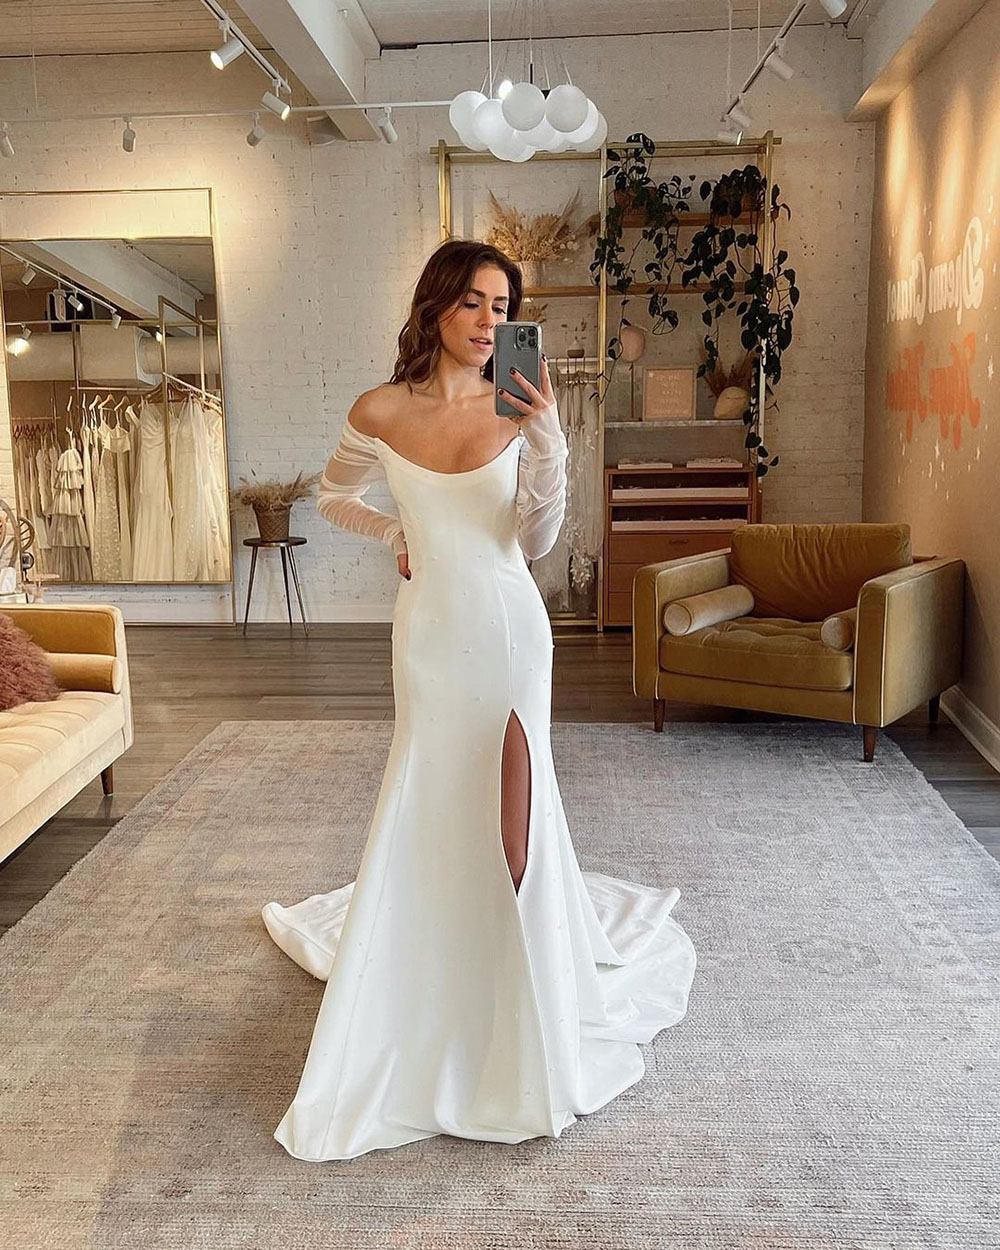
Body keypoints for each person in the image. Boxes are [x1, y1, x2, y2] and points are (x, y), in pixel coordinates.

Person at [262, 239, 697, 1161]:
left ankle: (521, 1010)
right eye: (472, 302)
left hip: (509, 631)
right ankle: (434, 989)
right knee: (429, 800)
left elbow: (534, 542)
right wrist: (393, 533)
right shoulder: (380, 409)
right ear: (435, 306)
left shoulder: (519, 405)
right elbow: (334, 496)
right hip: (429, 636)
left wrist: (549, 442)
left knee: (515, 825)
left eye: (502, 307)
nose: (488, 321)